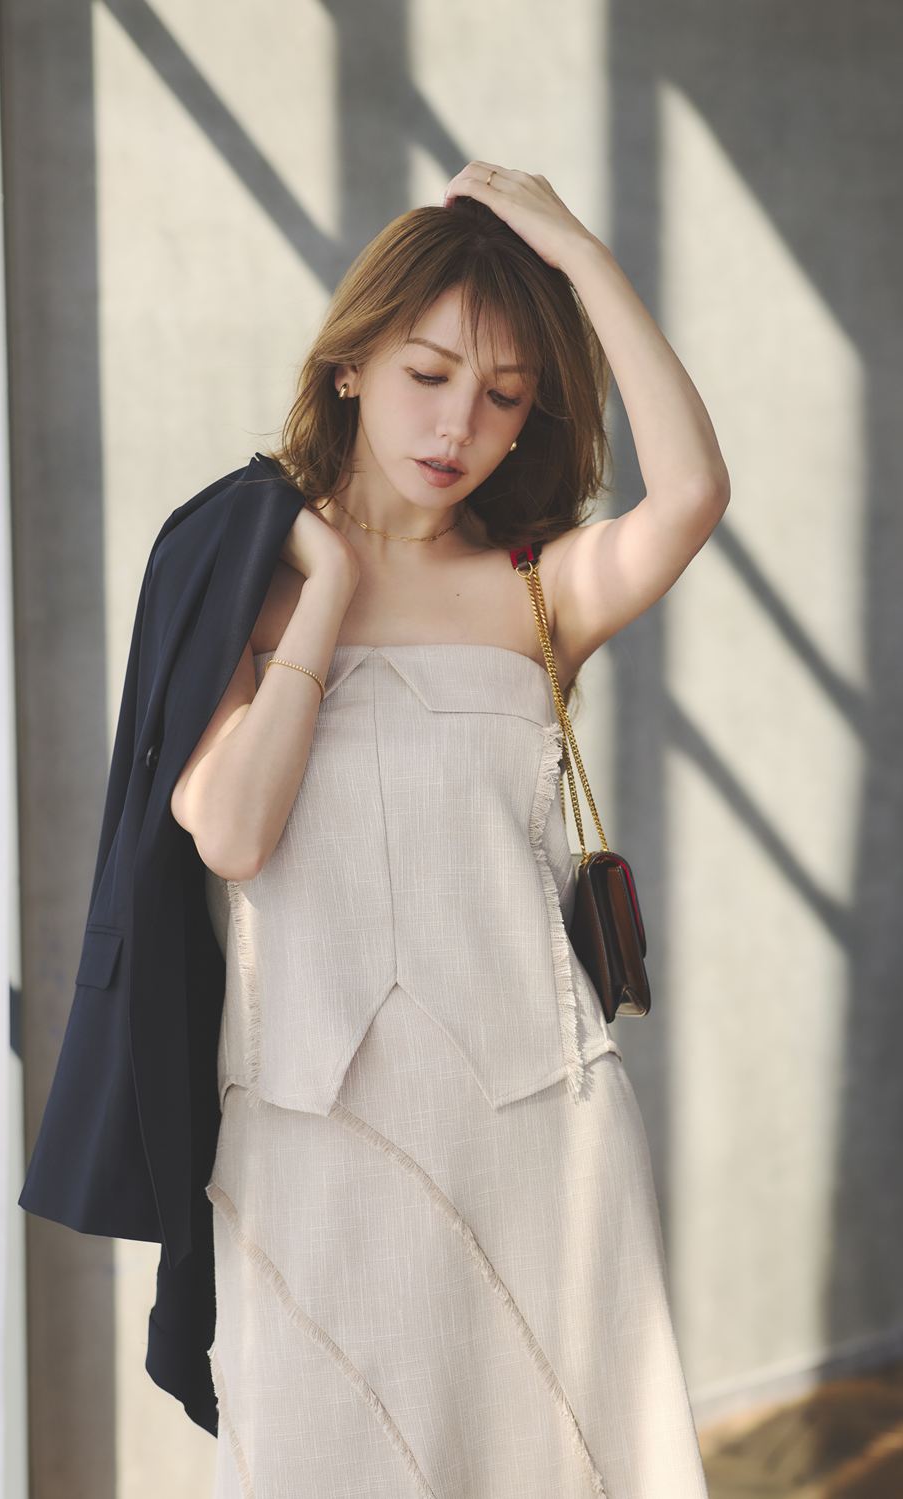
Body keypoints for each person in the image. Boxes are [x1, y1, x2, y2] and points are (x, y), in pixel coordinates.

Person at [168, 160, 727, 1497]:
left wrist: (575, 250)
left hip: (542, 1126)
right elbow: (230, 834)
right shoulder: (236, 573)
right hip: (312, 1131)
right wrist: (323, 595)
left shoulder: (535, 590)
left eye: (505, 394)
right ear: (351, 364)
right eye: (427, 374)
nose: (459, 423)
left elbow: (693, 494)